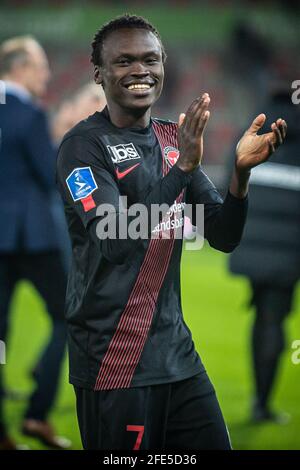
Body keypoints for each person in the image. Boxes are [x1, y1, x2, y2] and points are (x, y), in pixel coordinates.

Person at [56, 15, 287, 450]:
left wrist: (239, 175)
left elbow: (222, 235)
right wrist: (183, 169)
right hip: (114, 360)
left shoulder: (171, 138)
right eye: (124, 61)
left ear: (163, 66)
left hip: (177, 356)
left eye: (149, 59)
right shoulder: (83, 147)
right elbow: (116, 239)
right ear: (99, 74)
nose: (140, 70)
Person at [0, 36, 70, 450]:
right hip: (30, 237)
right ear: (20, 68)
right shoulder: (28, 113)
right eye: (40, 65)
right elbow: (49, 176)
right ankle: (37, 414)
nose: (46, 74)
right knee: (68, 317)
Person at [229, 86, 300, 423]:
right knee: (274, 318)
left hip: (254, 241)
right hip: (288, 247)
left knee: (264, 317)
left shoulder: (260, 122)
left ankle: (260, 402)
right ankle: (263, 404)